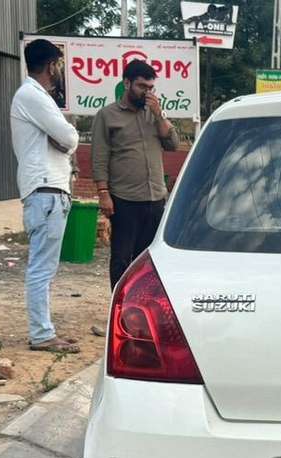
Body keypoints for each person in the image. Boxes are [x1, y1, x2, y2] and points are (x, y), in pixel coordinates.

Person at [10, 38, 81, 354]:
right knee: (41, 267)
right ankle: (41, 335)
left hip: (48, 190)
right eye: (59, 65)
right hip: (45, 190)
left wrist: (64, 141)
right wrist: (66, 139)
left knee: (45, 267)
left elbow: (64, 141)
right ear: (52, 65)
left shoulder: (37, 97)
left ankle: (45, 330)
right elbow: (68, 137)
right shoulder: (32, 96)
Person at [91, 61, 180, 288]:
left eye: (151, 87)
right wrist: (103, 193)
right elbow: (99, 157)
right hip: (124, 200)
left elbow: (173, 144)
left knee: (149, 261)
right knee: (121, 260)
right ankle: (118, 312)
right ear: (127, 83)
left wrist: (159, 115)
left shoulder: (154, 114)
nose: (147, 92)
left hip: (155, 199)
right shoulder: (107, 115)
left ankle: (141, 312)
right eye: (142, 86)